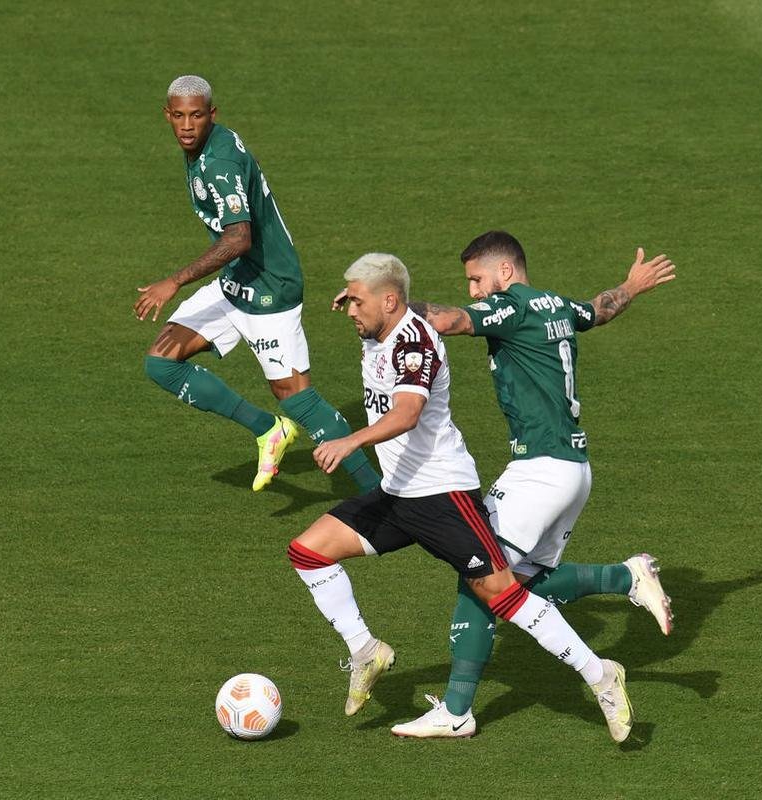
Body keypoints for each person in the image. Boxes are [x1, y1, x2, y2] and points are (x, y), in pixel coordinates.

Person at [286, 252, 635, 743]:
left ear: (389, 301)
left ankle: (600, 674)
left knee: (501, 593)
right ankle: (366, 649)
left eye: (357, 301)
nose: (348, 310)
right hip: (399, 492)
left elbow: (407, 413)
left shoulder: (414, 343)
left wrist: (351, 440)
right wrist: (362, 294)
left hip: (441, 494)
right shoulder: (381, 328)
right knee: (309, 551)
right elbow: (401, 305)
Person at [382, 230, 675, 738]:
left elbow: (450, 320)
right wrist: (631, 285)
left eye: (477, 278)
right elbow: (598, 310)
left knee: (478, 576)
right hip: (573, 471)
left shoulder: (512, 306)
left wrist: (391, 304)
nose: (474, 289)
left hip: (538, 471)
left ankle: (457, 712)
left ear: (505, 272)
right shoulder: (554, 304)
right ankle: (626, 578)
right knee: (517, 583)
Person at [133, 75, 379, 493]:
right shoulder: (207, 148)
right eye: (178, 116)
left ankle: (381, 495)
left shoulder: (221, 162)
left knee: (297, 398)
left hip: (269, 288)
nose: (187, 126)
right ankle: (269, 430)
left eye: (196, 115)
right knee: (161, 362)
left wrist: (173, 281)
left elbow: (238, 237)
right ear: (167, 115)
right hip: (235, 282)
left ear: (213, 114)